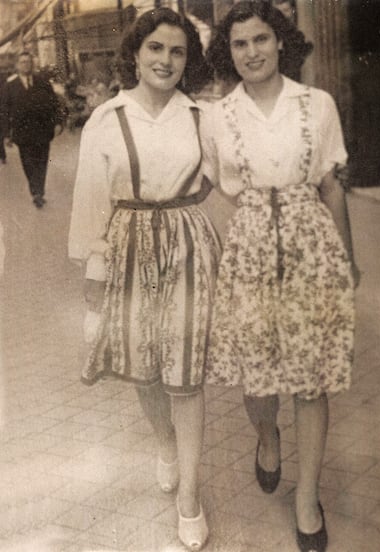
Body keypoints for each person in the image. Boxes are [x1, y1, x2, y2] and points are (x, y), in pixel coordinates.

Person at [202, 2, 359, 551]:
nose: (252, 52)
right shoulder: (217, 116)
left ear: (281, 42)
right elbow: (220, 193)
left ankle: (307, 498)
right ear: (229, 52)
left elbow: (332, 186)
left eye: (261, 39)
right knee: (258, 380)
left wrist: (348, 259)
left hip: (311, 247)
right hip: (249, 253)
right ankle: (267, 436)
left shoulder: (317, 104)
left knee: (311, 379)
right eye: (240, 43)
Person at [68, 8, 221, 551]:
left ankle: (189, 498)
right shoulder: (107, 118)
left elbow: (223, 179)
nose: (165, 60)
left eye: (177, 52)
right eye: (155, 48)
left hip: (186, 246)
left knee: (185, 371)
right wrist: (93, 270)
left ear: (189, 60)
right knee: (144, 368)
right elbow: (91, 204)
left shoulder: (204, 116)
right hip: (126, 247)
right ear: (135, 53)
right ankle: (165, 444)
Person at [0, 52, 64, 207]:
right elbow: (4, 111)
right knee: (28, 163)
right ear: (17, 65)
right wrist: (6, 134)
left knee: (42, 162)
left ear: (32, 64)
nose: (26, 65)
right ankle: (35, 191)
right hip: (23, 134)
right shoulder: (10, 86)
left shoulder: (43, 83)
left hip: (43, 131)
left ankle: (39, 190)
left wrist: (57, 123)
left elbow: (54, 104)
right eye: (22, 62)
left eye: (28, 62)